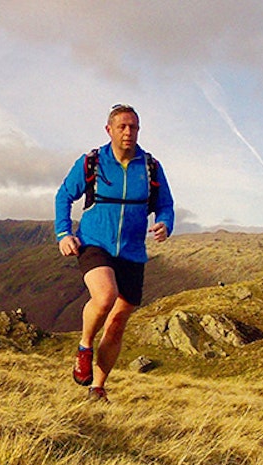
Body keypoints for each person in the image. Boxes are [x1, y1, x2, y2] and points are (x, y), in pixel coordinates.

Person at [54, 104, 174, 402]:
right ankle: (84, 346)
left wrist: (164, 224)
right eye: (122, 126)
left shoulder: (150, 167)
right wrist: (63, 233)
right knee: (105, 296)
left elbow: (166, 205)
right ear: (109, 130)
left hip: (132, 252)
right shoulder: (92, 162)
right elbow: (64, 195)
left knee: (118, 322)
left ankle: (98, 387)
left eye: (133, 127)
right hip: (95, 243)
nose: (128, 132)